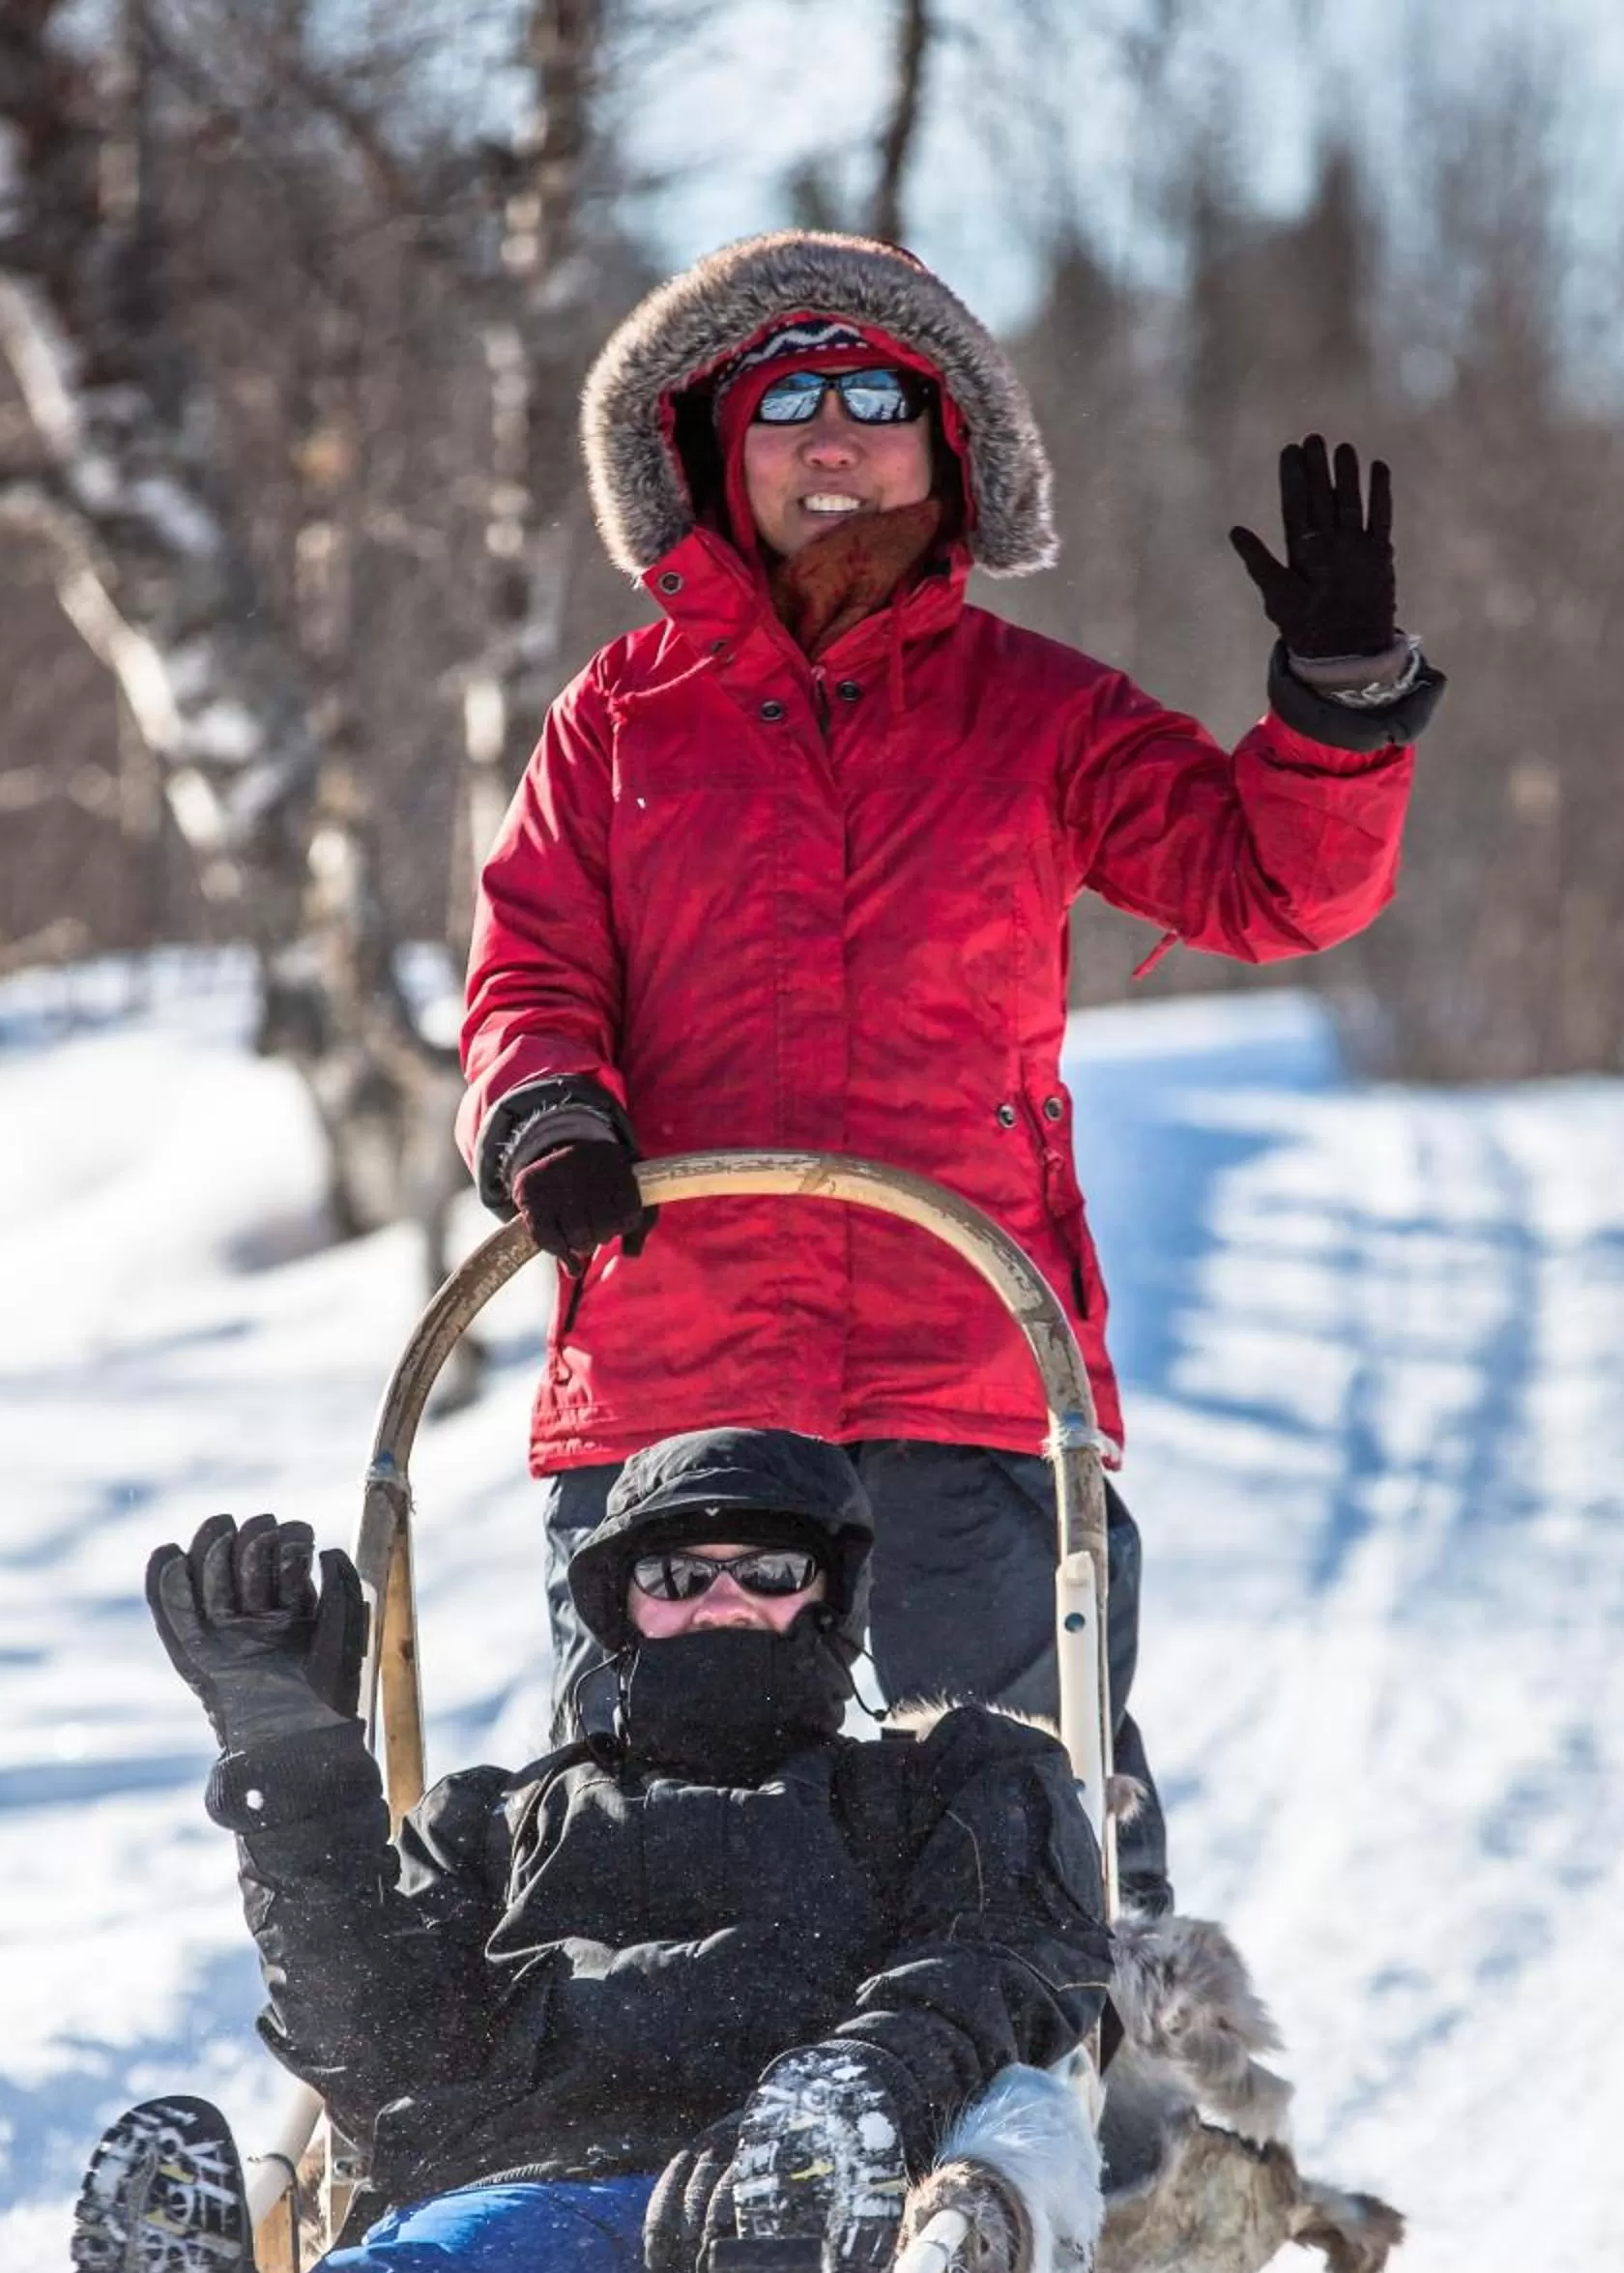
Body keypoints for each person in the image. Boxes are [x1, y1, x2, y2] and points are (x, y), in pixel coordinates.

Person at [457, 231, 1446, 1926]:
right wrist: (546, 1107)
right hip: (675, 1376)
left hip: (958, 1364)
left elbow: (1262, 884)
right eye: (783, 407)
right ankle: (622, 2153)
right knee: (640, 1838)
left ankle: (1087, 2142)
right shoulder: (614, 724)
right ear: (714, 455)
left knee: (1013, 1819)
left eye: (870, 403)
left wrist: (1336, 711)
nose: (828, 439)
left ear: (945, 452)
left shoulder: (1037, 713)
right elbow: (525, 975)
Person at [72, 1430, 1113, 2273]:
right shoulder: (496, 1823)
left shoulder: (944, 1786)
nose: (722, 1601)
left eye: (768, 1572)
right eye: (674, 1576)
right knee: (449, 2269)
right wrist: (292, 1774)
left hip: (800, 2207)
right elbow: (374, 2043)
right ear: (624, 1604)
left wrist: (848, 2087)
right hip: (531, 2186)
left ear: (832, 1599)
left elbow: (1009, 1955)